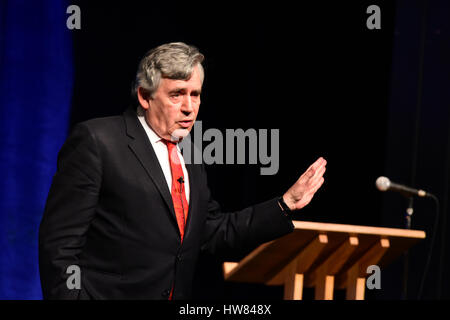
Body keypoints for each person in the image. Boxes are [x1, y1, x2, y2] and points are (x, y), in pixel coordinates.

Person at [38, 42, 327, 300]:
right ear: (144, 96)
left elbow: (210, 231)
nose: (189, 107)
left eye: (196, 94)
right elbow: (59, 245)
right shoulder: (98, 141)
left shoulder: (190, 151)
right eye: (177, 95)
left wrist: (284, 204)